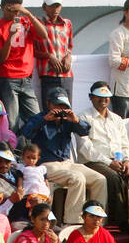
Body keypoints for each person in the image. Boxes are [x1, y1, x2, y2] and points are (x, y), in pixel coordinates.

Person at [20, 88, 107, 227]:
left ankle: (97, 221)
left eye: (64, 106)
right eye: (57, 105)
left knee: (100, 179)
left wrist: (76, 121)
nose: (61, 109)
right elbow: (26, 132)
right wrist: (44, 120)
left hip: (67, 163)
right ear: (49, 104)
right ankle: (73, 223)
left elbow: (85, 131)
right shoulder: (40, 117)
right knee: (77, 178)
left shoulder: (67, 120)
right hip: (47, 165)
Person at [75, 83, 129, 231]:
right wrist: (109, 162)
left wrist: (127, 161)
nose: (103, 100)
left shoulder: (117, 119)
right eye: (99, 97)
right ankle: (121, 222)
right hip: (93, 162)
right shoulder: (83, 117)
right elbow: (86, 148)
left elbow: (125, 144)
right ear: (91, 97)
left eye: (106, 97)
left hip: (119, 160)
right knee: (113, 177)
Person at [0, 0, 45, 132]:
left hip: (26, 78)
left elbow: (44, 35)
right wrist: (11, 35)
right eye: (11, 9)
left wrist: (28, 14)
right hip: (8, 78)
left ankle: (29, 150)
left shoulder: (26, 21)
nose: (15, 13)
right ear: (2, 7)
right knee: (12, 122)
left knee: (37, 119)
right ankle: (13, 151)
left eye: (17, 10)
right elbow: (1, 58)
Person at [32, 0, 75, 104]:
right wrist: (49, 56)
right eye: (52, 6)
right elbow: (32, 50)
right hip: (48, 73)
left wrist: (68, 57)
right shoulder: (38, 23)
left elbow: (69, 46)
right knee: (50, 110)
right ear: (44, 7)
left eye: (58, 5)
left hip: (67, 74)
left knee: (67, 109)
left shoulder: (67, 23)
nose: (55, 9)